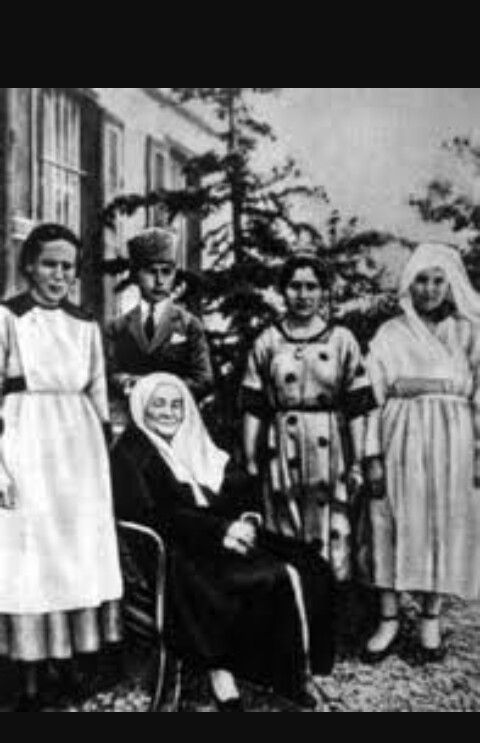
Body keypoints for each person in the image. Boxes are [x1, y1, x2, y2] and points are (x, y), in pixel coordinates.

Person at [111, 373, 336, 711]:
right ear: (142, 407)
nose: (169, 413)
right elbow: (155, 514)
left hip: (224, 533)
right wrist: (220, 531)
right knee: (263, 577)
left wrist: (247, 521)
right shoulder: (130, 451)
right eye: (158, 404)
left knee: (309, 564)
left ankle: (286, 672)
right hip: (175, 549)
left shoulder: (195, 439)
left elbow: (240, 486)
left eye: (176, 405)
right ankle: (222, 671)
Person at [0, 223, 123, 711]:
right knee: (30, 557)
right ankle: (27, 673)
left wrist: (102, 455)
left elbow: (97, 391)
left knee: (76, 552)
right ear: (29, 265)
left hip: (78, 449)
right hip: (25, 441)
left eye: (67, 267)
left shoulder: (85, 324)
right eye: (49, 264)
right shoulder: (7, 317)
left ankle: (70, 663)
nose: (58, 275)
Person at [362, 243, 480, 662]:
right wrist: (372, 455)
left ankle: (431, 617)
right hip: (400, 433)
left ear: (450, 285)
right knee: (389, 519)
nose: (429, 289)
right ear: (409, 284)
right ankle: (389, 618)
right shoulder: (390, 333)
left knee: (442, 522)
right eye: (421, 280)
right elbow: (371, 397)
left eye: (437, 281)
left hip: (454, 439)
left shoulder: (468, 331)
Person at [242, 249, 374, 583]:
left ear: (323, 291)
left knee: (333, 526)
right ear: (283, 291)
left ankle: (332, 599)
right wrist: (251, 459)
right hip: (281, 444)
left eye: (311, 286)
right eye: (295, 286)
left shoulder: (341, 340)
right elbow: (253, 404)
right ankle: (291, 601)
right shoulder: (268, 340)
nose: (303, 295)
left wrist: (357, 461)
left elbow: (358, 405)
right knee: (284, 521)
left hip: (329, 444)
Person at [106, 227, 214, 415]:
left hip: (176, 418)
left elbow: (204, 379)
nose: (159, 281)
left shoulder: (189, 325)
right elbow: (107, 374)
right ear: (135, 275)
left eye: (166, 272)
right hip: (132, 418)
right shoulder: (118, 327)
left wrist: (159, 388)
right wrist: (125, 382)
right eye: (151, 272)